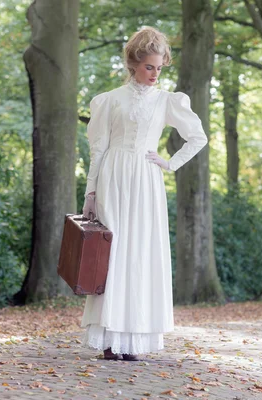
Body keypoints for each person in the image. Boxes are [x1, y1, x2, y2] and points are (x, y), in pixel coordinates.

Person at [80, 26, 208, 361]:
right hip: (113, 177)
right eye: (149, 66)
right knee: (114, 254)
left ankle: (135, 341)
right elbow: (98, 149)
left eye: (160, 67)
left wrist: (170, 164)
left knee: (142, 254)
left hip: (147, 180)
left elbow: (198, 137)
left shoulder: (168, 101)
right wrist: (90, 191)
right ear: (134, 63)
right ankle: (110, 340)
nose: (154, 74)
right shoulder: (109, 100)